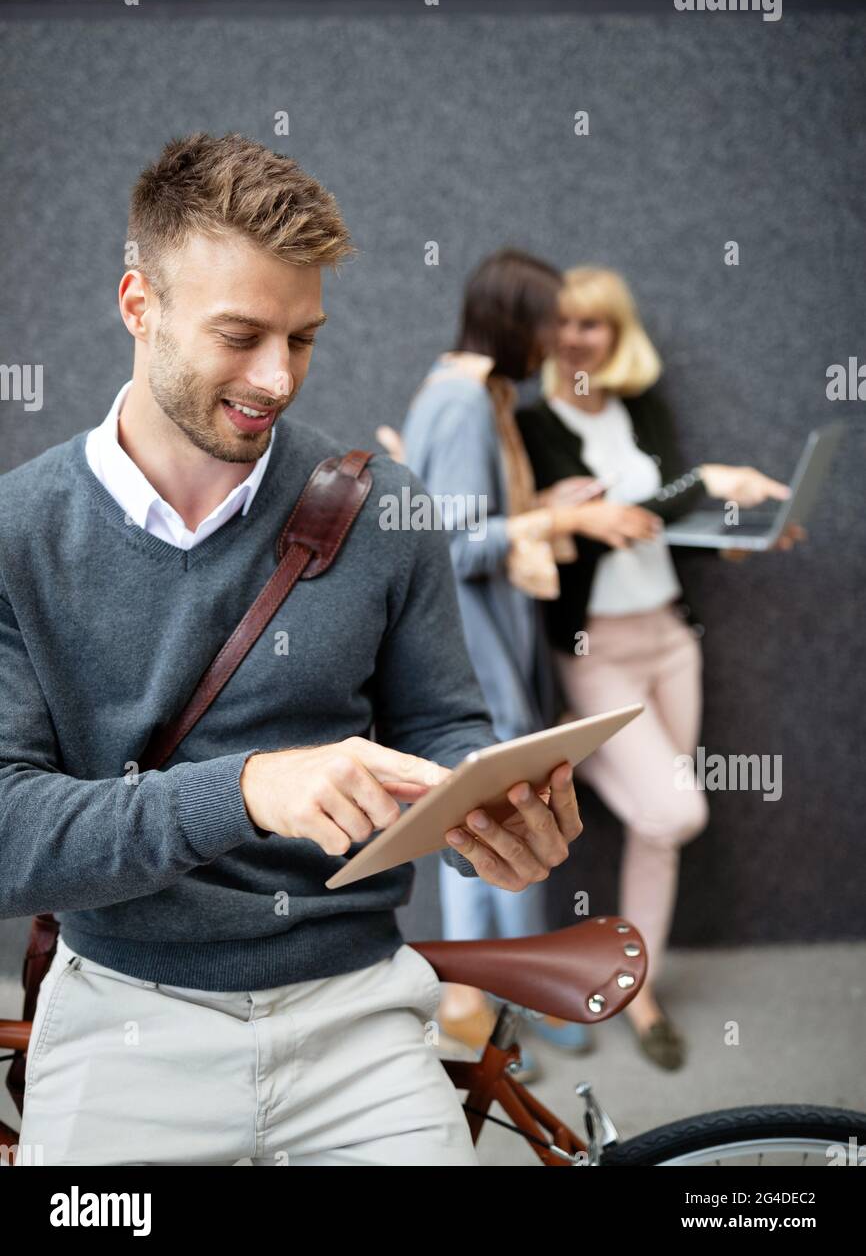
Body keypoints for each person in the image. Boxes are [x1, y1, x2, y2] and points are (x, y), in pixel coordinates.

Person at [0, 134, 582, 1166]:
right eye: (241, 335)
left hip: (356, 1014)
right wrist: (250, 787)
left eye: (302, 339)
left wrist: (481, 803)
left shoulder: (384, 510)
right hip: (124, 1017)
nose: (277, 379)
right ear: (138, 306)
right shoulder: (19, 533)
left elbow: (442, 723)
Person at [516, 265, 804, 1071]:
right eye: (564, 324)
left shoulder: (641, 407)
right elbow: (622, 514)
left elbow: (664, 515)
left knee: (658, 832)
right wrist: (708, 481)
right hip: (594, 645)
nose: (578, 338)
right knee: (677, 811)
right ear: (545, 335)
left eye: (594, 325)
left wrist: (742, 529)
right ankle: (576, 747)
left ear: (617, 335)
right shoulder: (534, 425)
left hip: (671, 636)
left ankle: (639, 993)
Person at [397, 249, 602, 1072]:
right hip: (477, 664)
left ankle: (493, 1002)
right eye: (549, 320)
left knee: (487, 826)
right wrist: (537, 529)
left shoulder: (473, 390)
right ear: (516, 320)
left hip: (485, 659)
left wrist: (534, 509)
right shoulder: (463, 405)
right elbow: (442, 545)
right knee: (501, 826)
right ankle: (499, 1001)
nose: (558, 337)